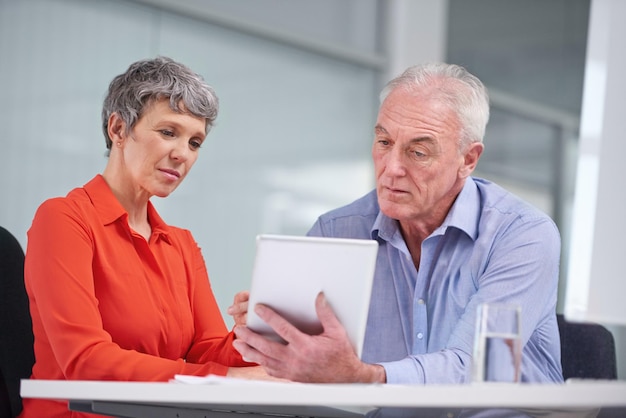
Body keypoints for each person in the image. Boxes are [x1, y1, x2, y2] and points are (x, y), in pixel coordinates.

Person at [230, 62, 564, 385]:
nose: (391, 169)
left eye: (418, 152)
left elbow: (475, 367)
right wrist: (268, 331)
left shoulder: (522, 235)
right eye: (384, 142)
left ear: (468, 159)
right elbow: (304, 363)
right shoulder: (336, 232)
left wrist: (365, 375)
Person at [20, 56, 270, 418]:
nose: (182, 153)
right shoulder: (63, 219)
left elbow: (207, 351)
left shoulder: (181, 244)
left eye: (195, 142)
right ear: (119, 129)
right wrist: (227, 377)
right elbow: (85, 361)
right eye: (168, 132)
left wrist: (251, 337)